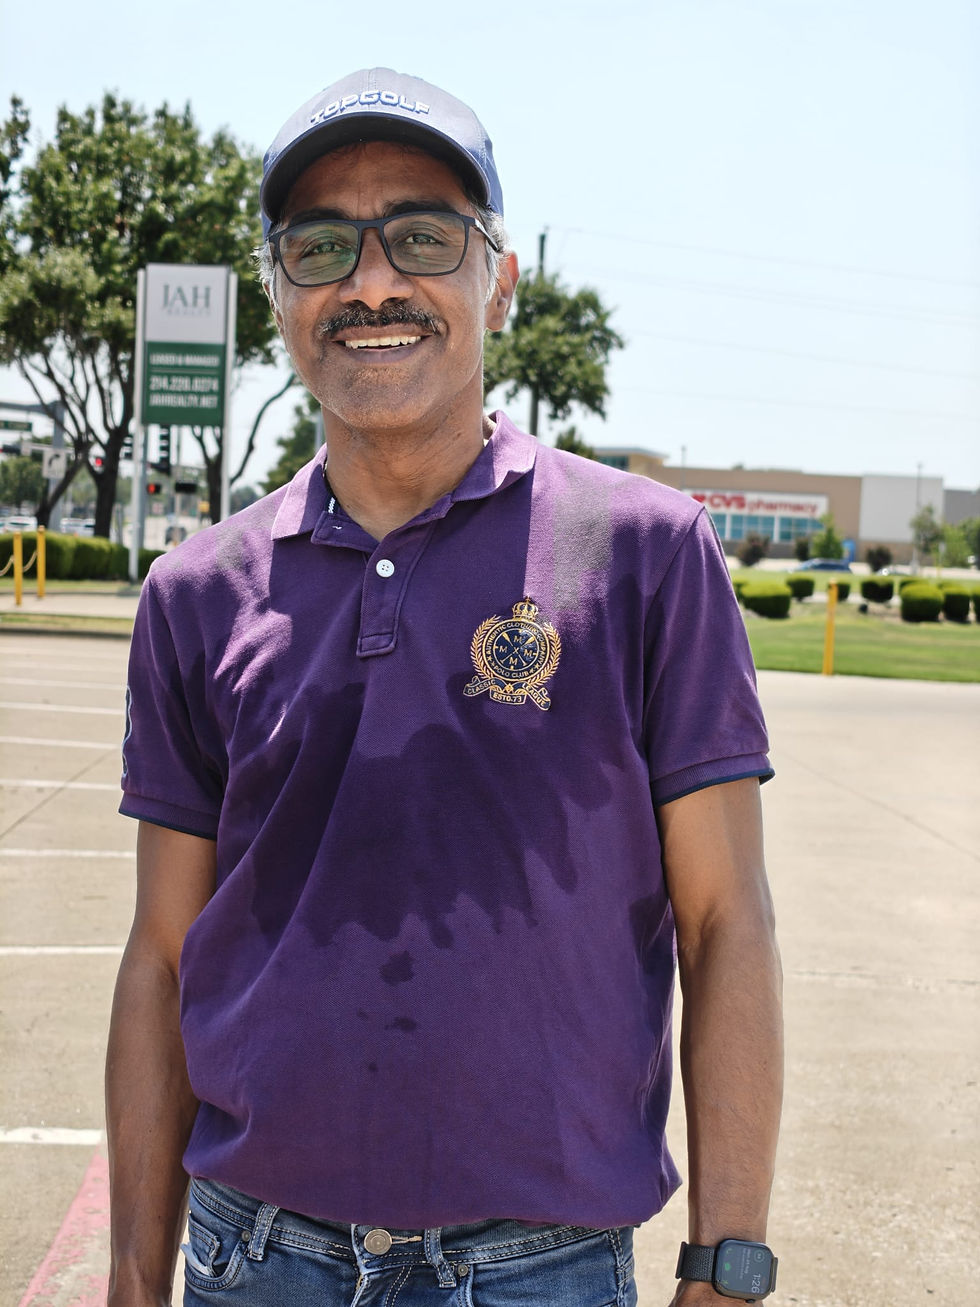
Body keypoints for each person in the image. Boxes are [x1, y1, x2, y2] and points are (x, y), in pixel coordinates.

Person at [106, 68, 783, 1307]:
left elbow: (725, 917)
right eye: (321, 247)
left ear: (497, 279)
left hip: (541, 1265)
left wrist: (725, 1263)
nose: (370, 282)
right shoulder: (196, 591)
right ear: (278, 294)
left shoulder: (644, 551)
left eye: (420, 235)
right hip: (255, 1258)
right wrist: (134, 1273)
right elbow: (161, 953)